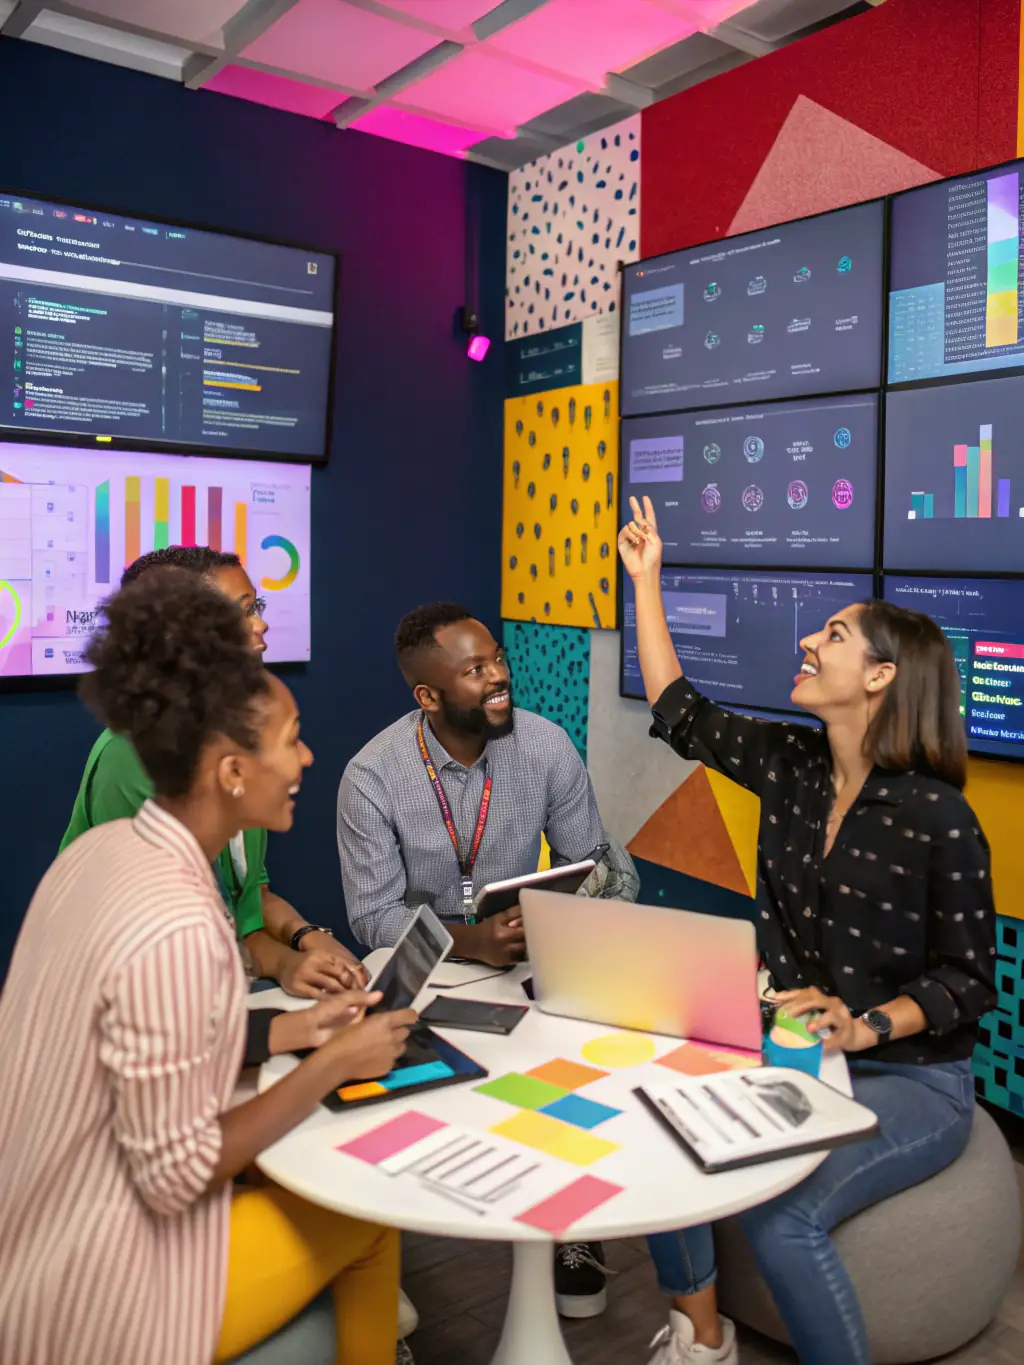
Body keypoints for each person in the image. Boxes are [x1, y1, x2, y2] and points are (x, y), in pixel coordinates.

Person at [0, 569, 418, 1365]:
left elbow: (142, 1039)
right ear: (231, 770)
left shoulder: (104, 854)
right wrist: (329, 1063)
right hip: (91, 1301)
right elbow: (174, 1175)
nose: (307, 755)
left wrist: (295, 1027)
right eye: (291, 738)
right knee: (371, 1215)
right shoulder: (180, 923)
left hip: (26, 1230)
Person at [619, 497, 996, 1365]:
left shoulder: (940, 819)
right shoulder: (789, 766)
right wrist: (646, 581)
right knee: (658, 1130)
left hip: (910, 1075)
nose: (807, 643)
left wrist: (867, 1024)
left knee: (783, 1208)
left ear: (880, 676)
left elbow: (971, 981)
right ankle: (700, 1338)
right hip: (786, 1047)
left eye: (831, 634)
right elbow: (679, 708)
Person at [337, 601, 631, 1318]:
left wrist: (574, 905)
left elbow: (588, 860)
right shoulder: (371, 775)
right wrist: (472, 937)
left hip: (531, 959)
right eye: (476, 670)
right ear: (428, 696)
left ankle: (571, 1227)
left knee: (573, 1065)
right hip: (426, 973)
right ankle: (376, 1257)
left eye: (497, 657)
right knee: (403, 1104)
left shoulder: (546, 745)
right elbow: (372, 918)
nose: (500, 676)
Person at [60, 545, 365, 997]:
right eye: (241, 613)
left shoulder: (232, 736)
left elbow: (242, 905)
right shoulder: (133, 757)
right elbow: (155, 960)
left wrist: (305, 943)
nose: (260, 625)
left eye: (255, 607)